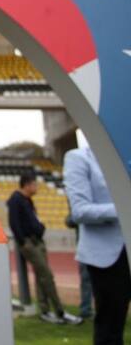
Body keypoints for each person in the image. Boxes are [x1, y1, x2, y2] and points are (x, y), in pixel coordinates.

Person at [64, 146, 130, 345]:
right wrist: (124, 208)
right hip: (107, 256)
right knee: (110, 326)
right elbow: (80, 211)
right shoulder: (78, 158)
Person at [7, 172, 82, 325]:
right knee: (47, 276)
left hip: (37, 241)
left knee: (42, 277)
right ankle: (60, 311)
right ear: (27, 184)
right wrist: (24, 242)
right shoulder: (16, 200)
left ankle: (45, 310)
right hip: (30, 243)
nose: (36, 187)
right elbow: (14, 223)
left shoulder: (27, 200)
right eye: (34, 184)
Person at [65, 211, 94, 319]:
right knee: (86, 279)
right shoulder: (82, 208)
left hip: (100, 248)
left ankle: (106, 309)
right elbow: (69, 221)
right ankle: (86, 310)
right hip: (84, 249)